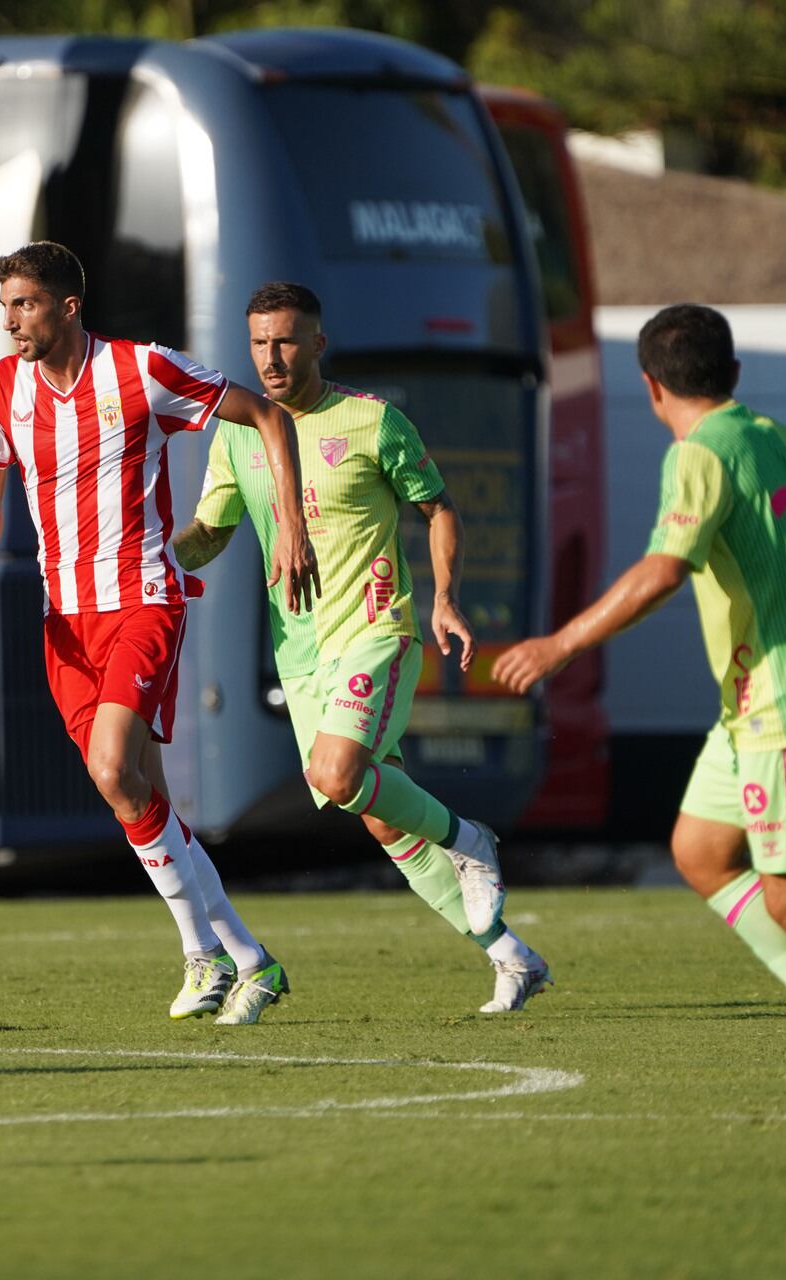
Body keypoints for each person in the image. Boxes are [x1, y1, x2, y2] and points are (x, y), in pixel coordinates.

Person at [492, 303, 786, 1113]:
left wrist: (559, 646)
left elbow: (663, 569)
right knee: (702, 851)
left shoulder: (699, 453)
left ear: (650, 386)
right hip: (758, 698)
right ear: (735, 375)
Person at [0, 242, 319, 1025]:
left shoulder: (142, 370)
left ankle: (202, 957)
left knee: (115, 770)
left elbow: (263, 415)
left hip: (142, 599)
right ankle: (253, 960)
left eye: (24, 305)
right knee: (137, 795)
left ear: (67, 306)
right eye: (5, 308)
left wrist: (289, 524)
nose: (12, 322)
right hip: (65, 621)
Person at [170, 282, 547, 1013]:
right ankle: (511, 955)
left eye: (285, 341)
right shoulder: (239, 434)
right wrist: (154, 555)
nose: (271, 359)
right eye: (258, 344)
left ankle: (471, 838)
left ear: (317, 342)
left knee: (338, 774)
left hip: (378, 634)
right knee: (379, 814)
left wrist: (443, 597)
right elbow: (211, 534)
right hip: (303, 654)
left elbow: (438, 509)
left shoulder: (372, 422)